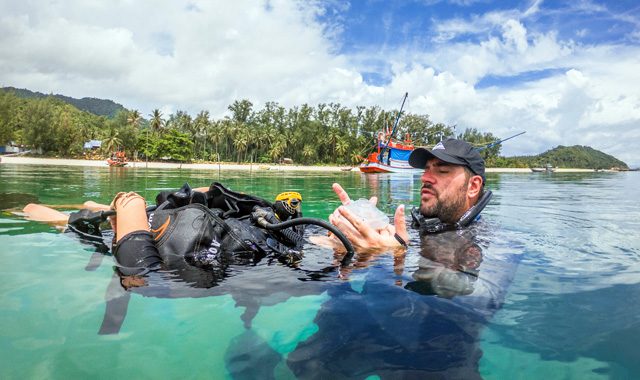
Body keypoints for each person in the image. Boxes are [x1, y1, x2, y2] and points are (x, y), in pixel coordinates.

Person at [328, 138, 488, 250]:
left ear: (473, 186)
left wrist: (393, 252)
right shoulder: (414, 224)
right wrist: (352, 225)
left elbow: (473, 295)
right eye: (426, 169)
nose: (424, 178)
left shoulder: (485, 244)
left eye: (442, 170)